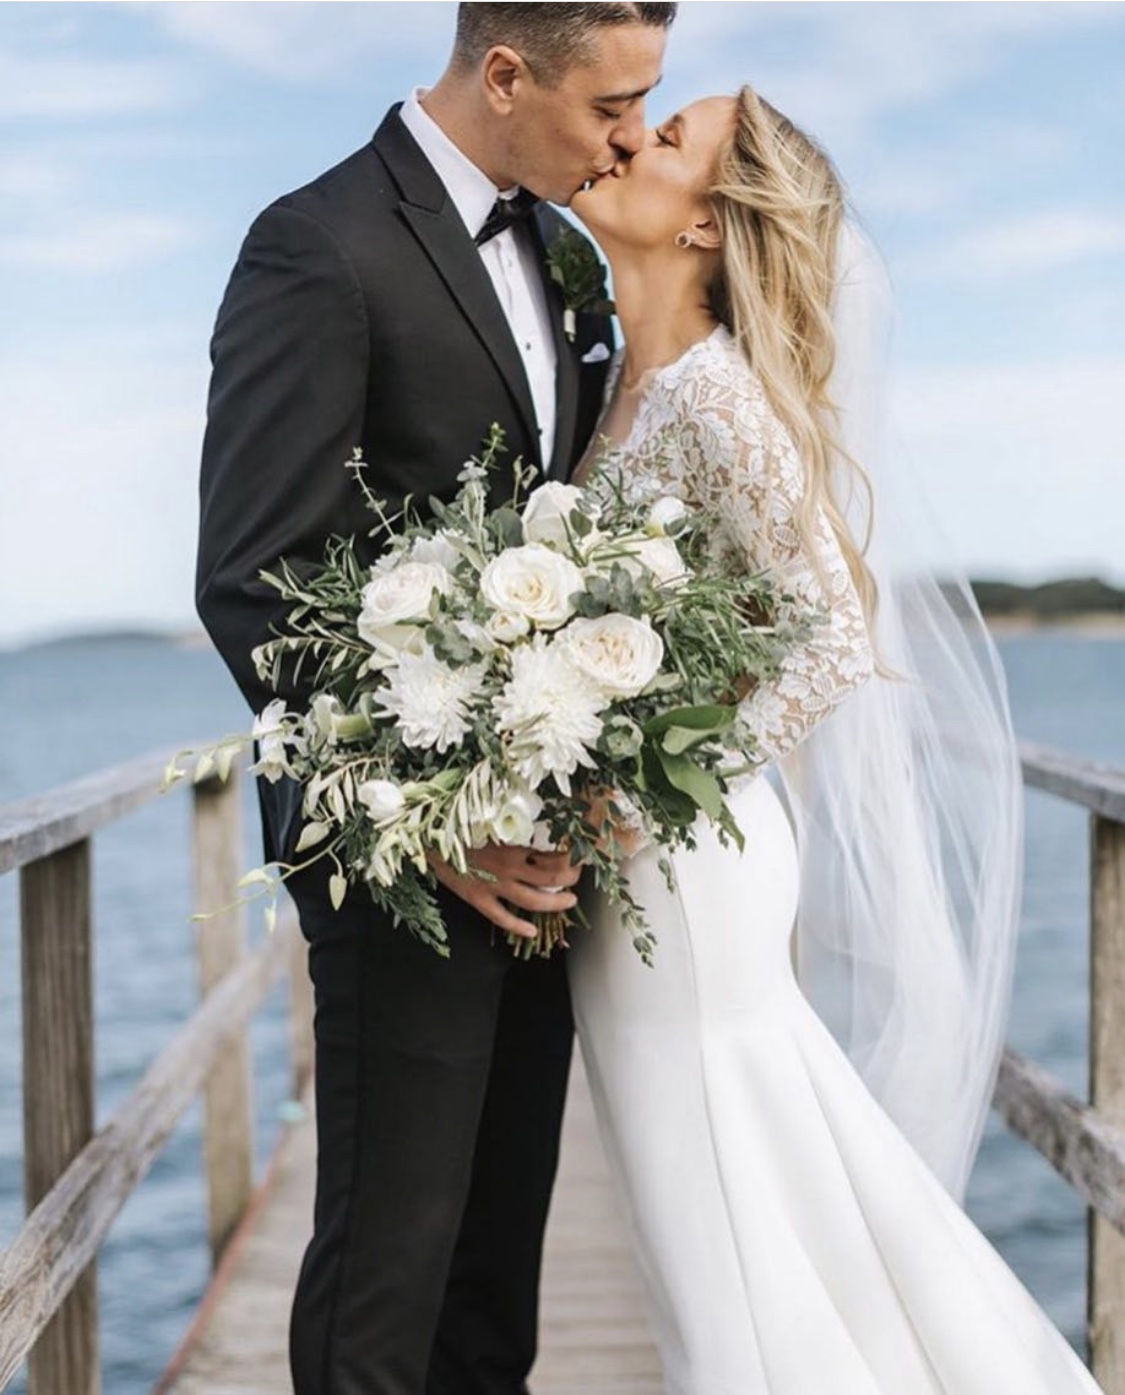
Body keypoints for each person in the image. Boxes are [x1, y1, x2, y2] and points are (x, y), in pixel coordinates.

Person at [565, 87, 1105, 1392]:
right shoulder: (614, 382)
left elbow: (824, 637)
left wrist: (649, 795)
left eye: (668, 136)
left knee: (720, 1215)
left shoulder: (713, 396)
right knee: (750, 1180)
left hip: (682, 867)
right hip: (654, 867)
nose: (630, 137)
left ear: (707, 226)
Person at [194, 6, 676, 1393]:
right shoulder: (317, 244)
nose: (633, 136)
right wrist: (431, 819)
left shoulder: (569, 257)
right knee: (386, 1284)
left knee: (492, 1278)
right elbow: (254, 574)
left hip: (549, 849)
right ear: (507, 73)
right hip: (400, 858)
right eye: (613, 103)